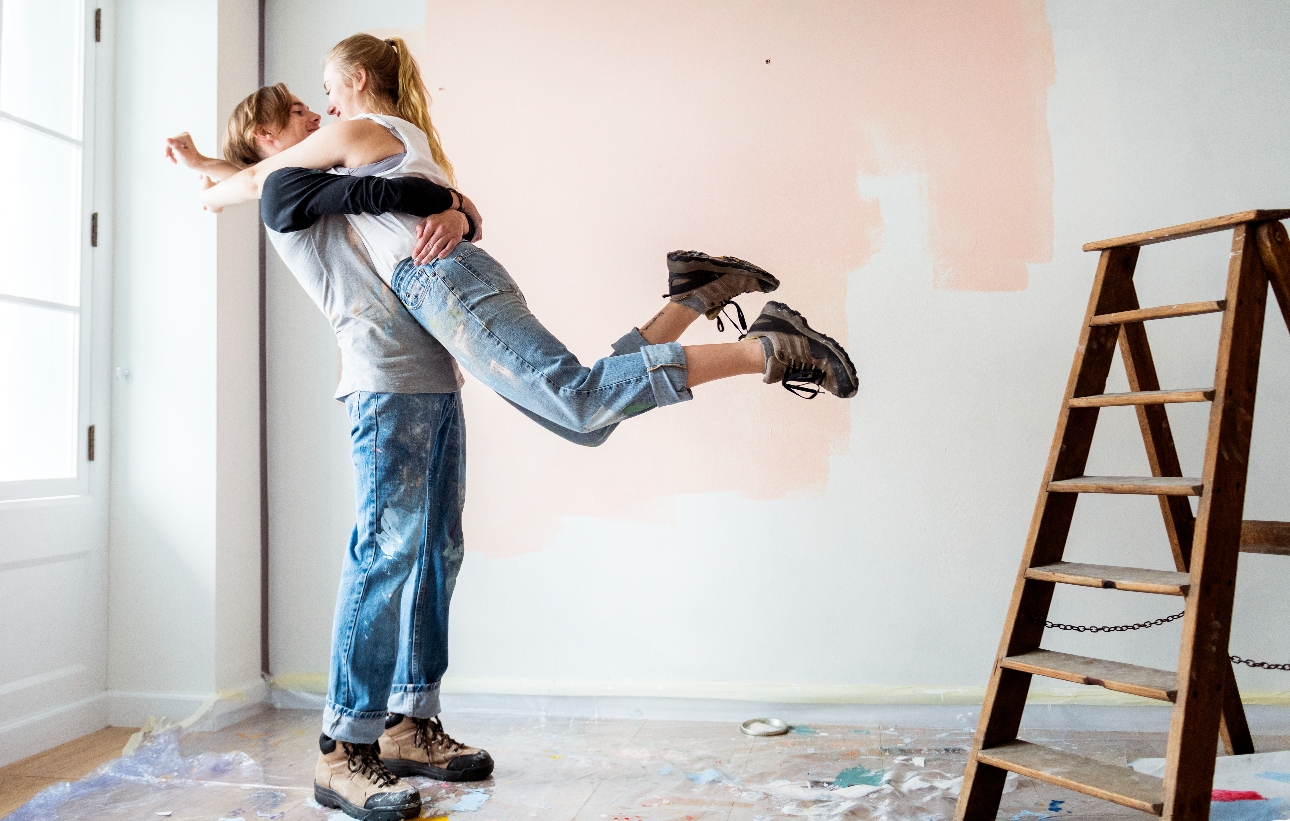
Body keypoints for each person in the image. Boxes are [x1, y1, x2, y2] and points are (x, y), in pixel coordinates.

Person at [168, 33, 856, 821]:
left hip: (432, 371)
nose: (317, 109)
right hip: (383, 388)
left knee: (444, 541)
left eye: (320, 94)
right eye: (296, 111)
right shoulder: (294, 192)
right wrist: (206, 176)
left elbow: (309, 176)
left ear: (358, 85)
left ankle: (408, 722)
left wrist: (452, 208)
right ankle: (343, 750)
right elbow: (259, 182)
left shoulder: (341, 163)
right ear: (264, 139)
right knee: (403, 541)